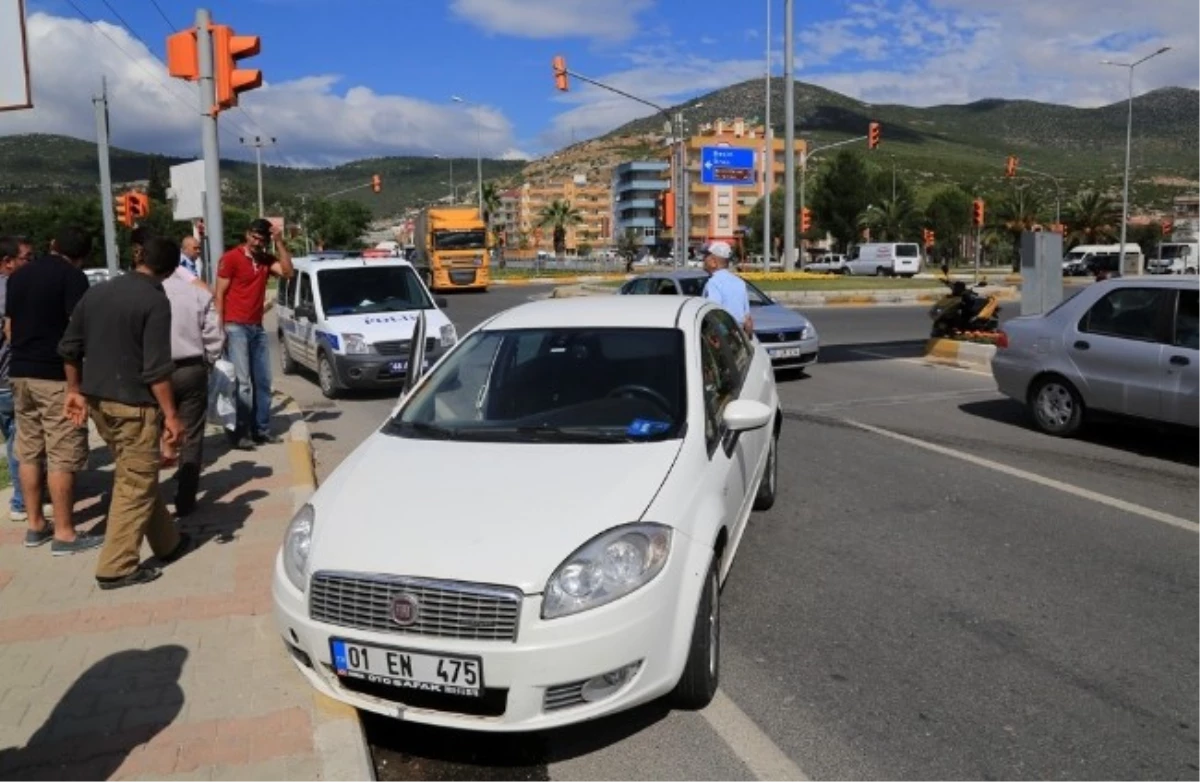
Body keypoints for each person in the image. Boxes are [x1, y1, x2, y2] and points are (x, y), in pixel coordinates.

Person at [59, 237, 189, 590]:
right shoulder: (155, 300)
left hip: (99, 401)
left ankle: (168, 543)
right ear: (171, 269)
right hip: (134, 406)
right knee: (135, 483)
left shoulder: (98, 292)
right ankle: (116, 567)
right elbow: (156, 370)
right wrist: (172, 417)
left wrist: (73, 390)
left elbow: (70, 347)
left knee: (138, 474)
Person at [5, 227, 101, 554]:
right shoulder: (73, 279)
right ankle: (64, 533)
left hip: (19, 372)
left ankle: (35, 526)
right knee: (63, 453)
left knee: (29, 450)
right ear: (83, 256)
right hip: (56, 376)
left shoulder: (18, 276)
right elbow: (77, 332)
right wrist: (78, 383)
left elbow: (10, 327)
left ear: (53, 244)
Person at [215, 218, 293, 450]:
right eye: (254, 237)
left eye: (262, 239)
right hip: (235, 326)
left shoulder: (267, 260)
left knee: (263, 381)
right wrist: (219, 330)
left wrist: (279, 242)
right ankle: (240, 433)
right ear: (247, 234)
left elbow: (288, 272)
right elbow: (219, 294)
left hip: (257, 327)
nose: (257, 242)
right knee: (242, 383)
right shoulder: (230, 259)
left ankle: (261, 430)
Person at [163, 244, 223, 516]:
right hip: (190, 369)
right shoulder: (196, 292)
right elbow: (214, 334)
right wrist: (208, 362)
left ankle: (149, 500)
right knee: (192, 434)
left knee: (151, 431)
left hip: (153, 373)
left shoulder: (146, 292)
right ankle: (186, 497)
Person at [0, 236, 33, 521]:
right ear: (7, 262)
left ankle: (24, 497)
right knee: (21, 443)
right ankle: (23, 501)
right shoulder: (8, 289)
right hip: (10, 379)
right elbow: (12, 332)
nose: (30, 264)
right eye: (26, 258)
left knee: (13, 439)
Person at [700, 241, 754, 335]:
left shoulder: (713, 283)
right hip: (738, 337)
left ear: (713, 262)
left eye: (706, 256)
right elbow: (748, 319)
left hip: (722, 338)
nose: (703, 259)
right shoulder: (740, 282)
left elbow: (713, 314)